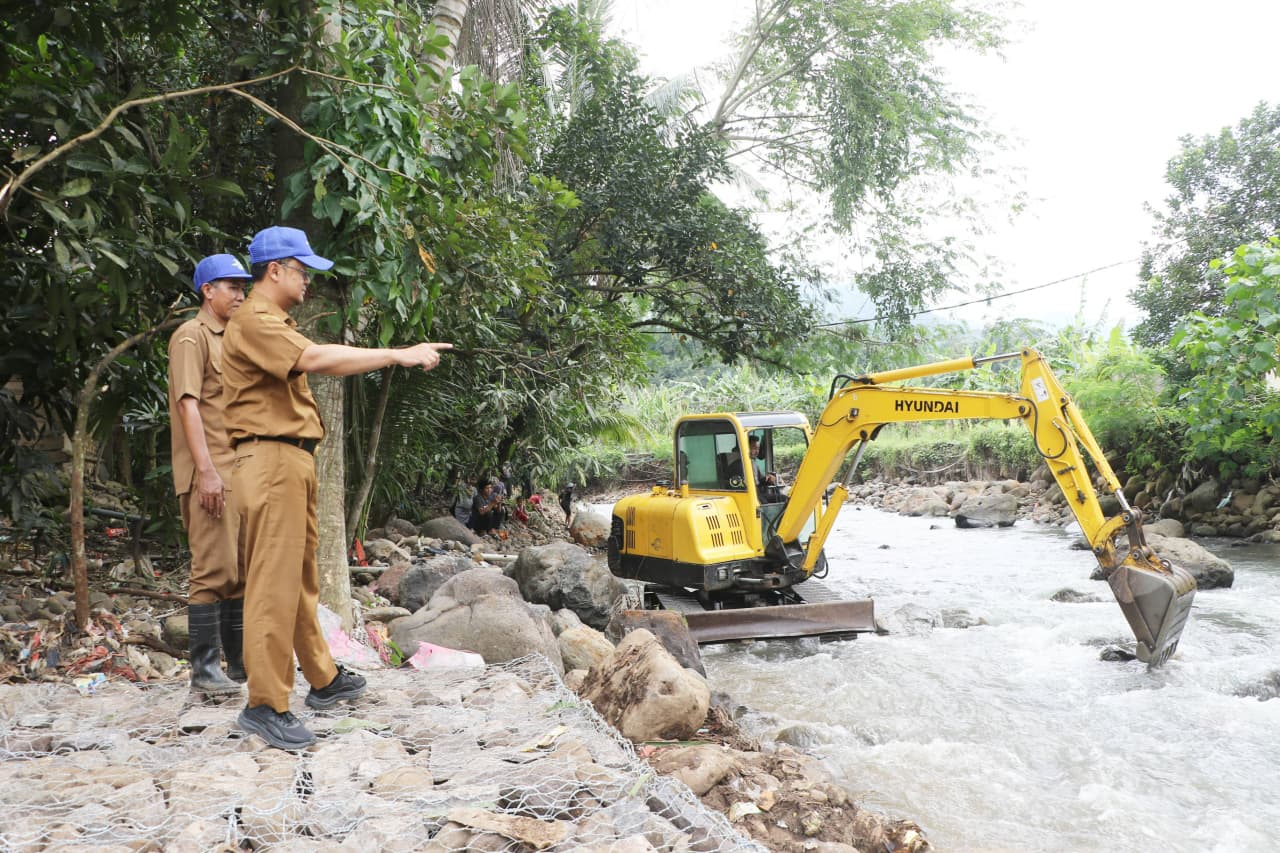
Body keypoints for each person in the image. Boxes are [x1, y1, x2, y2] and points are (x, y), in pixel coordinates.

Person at [223, 225, 452, 750]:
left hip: (290, 460)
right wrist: (397, 354)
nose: (307, 280)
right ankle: (265, 704)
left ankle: (322, 680)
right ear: (274, 270)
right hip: (270, 460)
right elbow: (317, 359)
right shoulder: (256, 320)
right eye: (302, 270)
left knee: (299, 581)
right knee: (272, 587)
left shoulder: (272, 320)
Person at [168, 254, 252, 694]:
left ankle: (238, 665)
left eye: (243, 287)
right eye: (231, 287)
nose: (240, 294)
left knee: (238, 570)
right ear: (207, 291)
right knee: (212, 570)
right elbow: (189, 404)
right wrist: (206, 472)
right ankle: (204, 671)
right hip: (210, 472)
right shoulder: (191, 336)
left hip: (237, 471)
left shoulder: (231, 338)